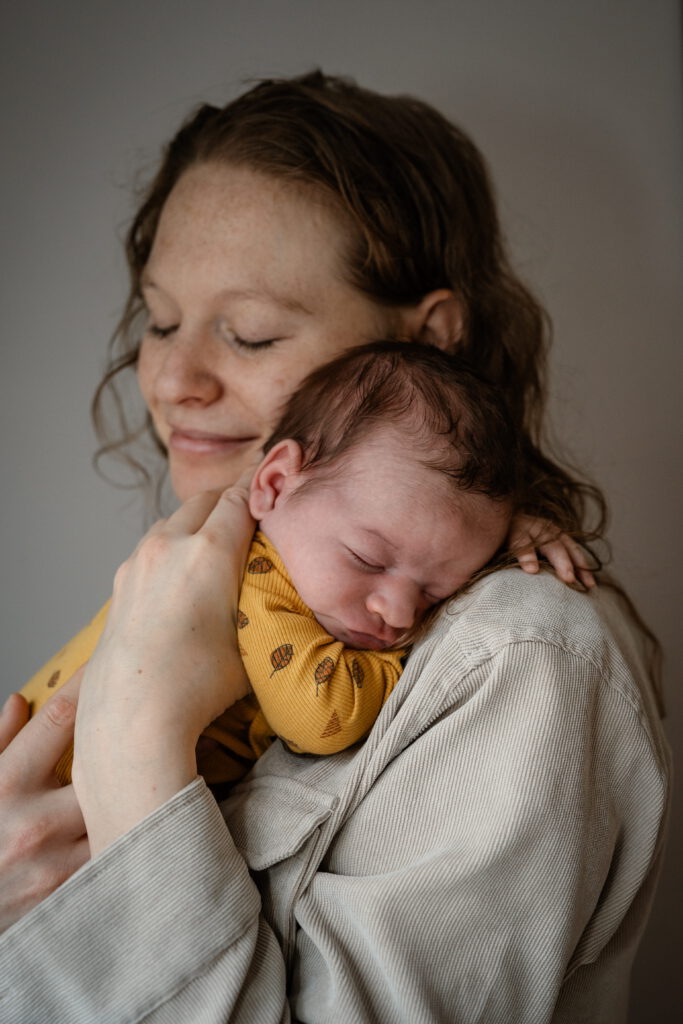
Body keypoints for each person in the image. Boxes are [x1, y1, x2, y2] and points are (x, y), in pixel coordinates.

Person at [0, 72, 669, 1023]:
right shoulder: (227, 576)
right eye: (160, 320)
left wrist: (135, 740)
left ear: (428, 339)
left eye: (250, 332)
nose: (174, 378)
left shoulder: (520, 659)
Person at [21, 342, 517, 790]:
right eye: (367, 559)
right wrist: (399, 662)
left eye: (436, 592)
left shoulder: (326, 549)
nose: (401, 613)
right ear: (276, 484)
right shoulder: (260, 576)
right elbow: (323, 719)